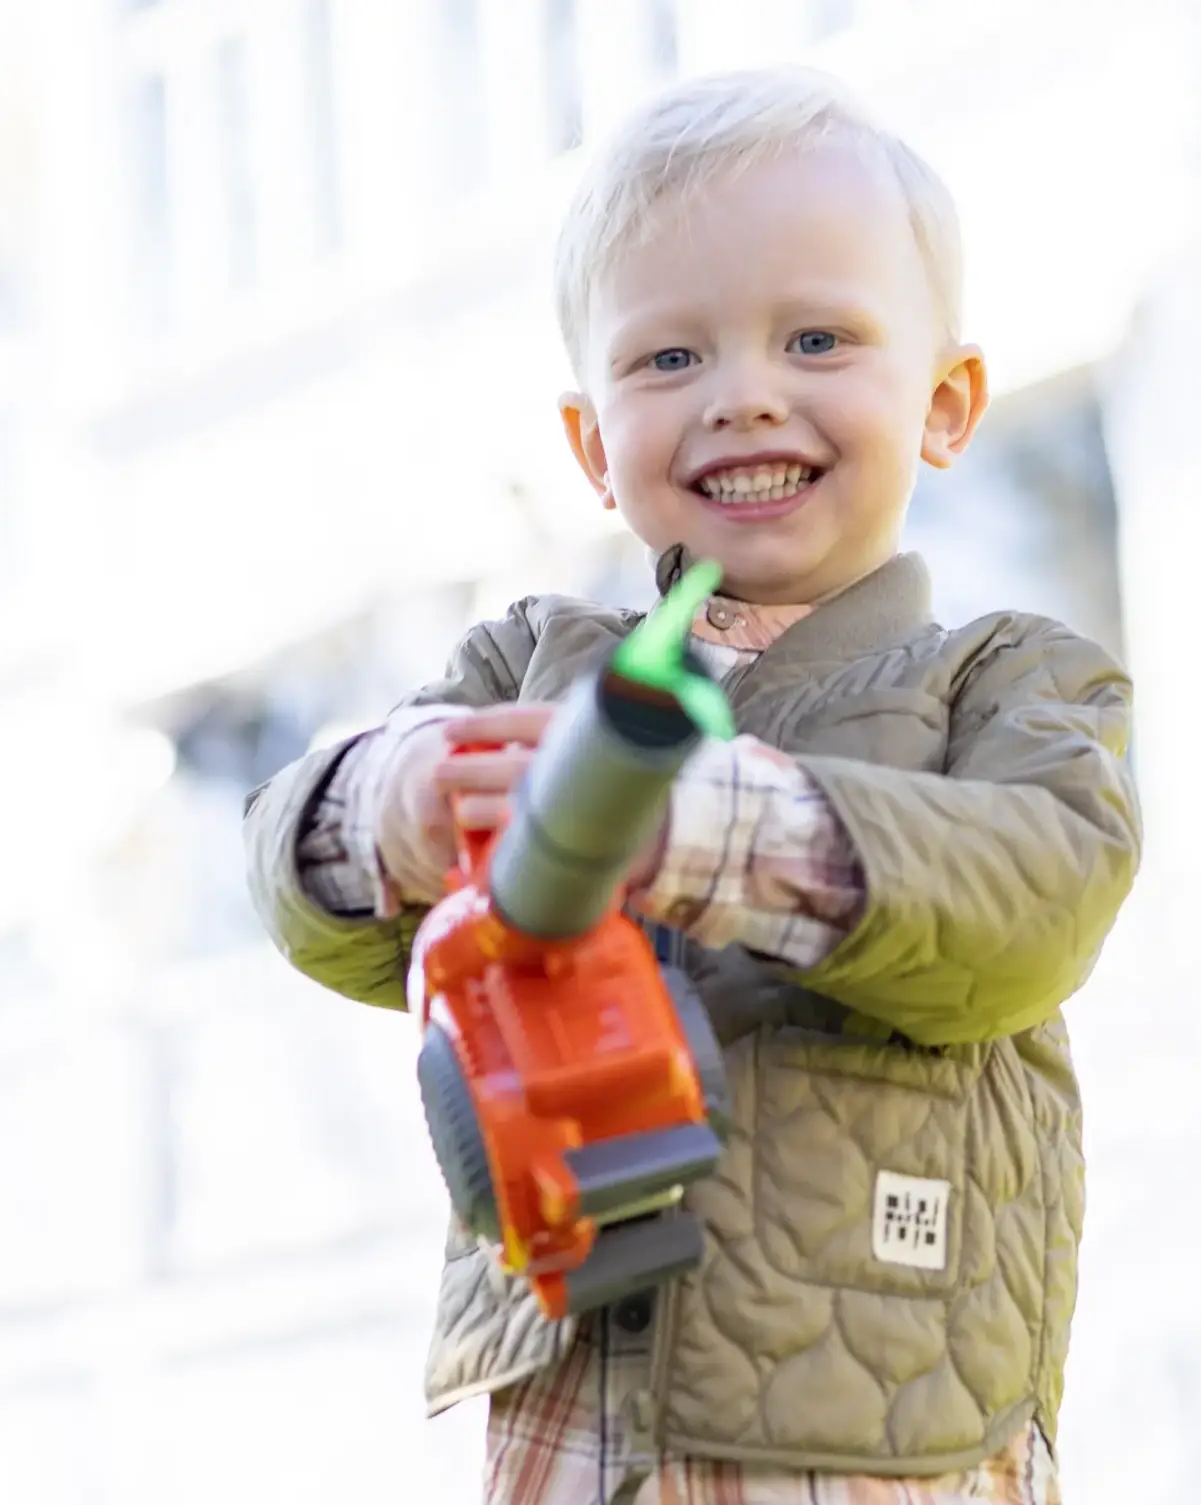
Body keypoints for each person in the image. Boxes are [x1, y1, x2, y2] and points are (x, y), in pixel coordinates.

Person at [243, 64, 1140, 1505]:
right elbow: (304, 891)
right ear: (594, 448)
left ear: (946, 402)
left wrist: (705, 824)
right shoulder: (533, 666)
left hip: (881, 1432)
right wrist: (387, 803)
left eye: (817, 338)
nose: (743, 396)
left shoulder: (1009, 684)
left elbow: (1033, 897)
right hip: (575, 1423)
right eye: (669, 359)